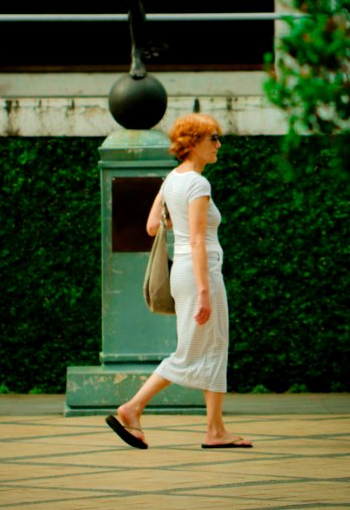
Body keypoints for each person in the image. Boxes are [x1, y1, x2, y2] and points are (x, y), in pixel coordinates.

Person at [105, 112, 253, 450]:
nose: (218, 145)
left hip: (182, 273)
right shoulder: (198, 183)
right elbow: (199, 240)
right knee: (190, 351)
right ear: (193, 143)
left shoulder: (172, 179)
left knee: (214, 347)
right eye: (212, 138)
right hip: (201, 273)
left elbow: (152, 226)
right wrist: (204, 291)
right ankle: (132, 407)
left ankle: (215, 431)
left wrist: (178, 221)